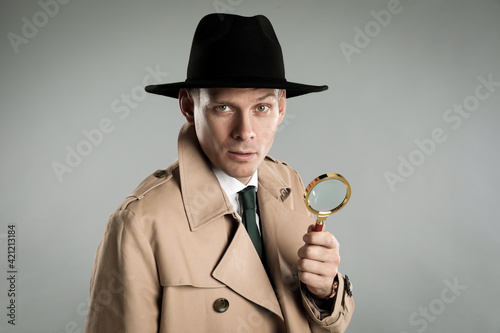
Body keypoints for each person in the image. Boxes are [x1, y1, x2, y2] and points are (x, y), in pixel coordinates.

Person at [84, 13, 354, 333]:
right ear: (188, 106)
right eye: (223, 107)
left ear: (281, 107)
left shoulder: (290, 185)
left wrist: (325, 293)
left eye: (262, 107)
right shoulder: (140, 222)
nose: (245, 132)